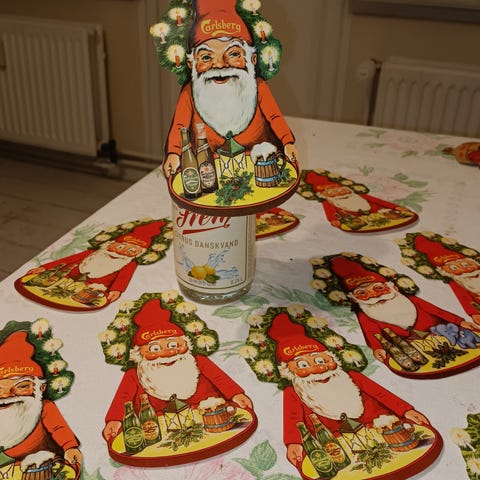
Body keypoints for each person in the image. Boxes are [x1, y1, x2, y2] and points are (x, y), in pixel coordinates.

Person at [267, 313, 429, 468]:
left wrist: (406, 411)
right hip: (338, 444)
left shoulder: (352, 376)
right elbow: (293, 419)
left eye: (320, 360)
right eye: (303, 365)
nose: (317, 368)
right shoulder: (293, 392)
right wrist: (294, 443)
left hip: (382, 429)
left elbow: (381, 394)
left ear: (331, 358)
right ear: (288, 370)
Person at [161, 0, 298, 178]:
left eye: (233, 54)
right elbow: (180, 126)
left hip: (257, 170)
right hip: (208, 173)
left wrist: (288, 142)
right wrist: (173, 153)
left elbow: (274, 117)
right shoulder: (189, 93)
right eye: (206, 57)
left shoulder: (259, 88)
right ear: (190, 63)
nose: (220, 65)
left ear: (252, 59)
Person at [102, 298, 252, 442]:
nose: (167, 353)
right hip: (160, 430)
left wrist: (235, 394)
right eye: (155, 348)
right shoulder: (134, 375)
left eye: (173, 345)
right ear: (140, 352)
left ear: (185, 344)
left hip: (210, 419)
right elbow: (123, 398)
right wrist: (114, 420)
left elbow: (220, 379)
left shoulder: (198, 361)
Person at [330, 256, 480, 362]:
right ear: (354, 299)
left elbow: (436, 311)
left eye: (378, 288)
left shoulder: (410, 300)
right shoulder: (365, 314)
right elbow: (371, 333)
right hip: (412, 348)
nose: (374, 295)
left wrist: (460, 321)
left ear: (393, 288)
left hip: (444, 334)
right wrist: (377, 348)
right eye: (363, 293)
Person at [23, 221, 167, 305]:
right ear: (111, 244)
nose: (124, 251)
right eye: (121, 247)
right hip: (66, 278)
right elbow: (67, 259)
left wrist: (116, 290)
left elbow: (123, 278)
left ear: (138, 253)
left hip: (95, 287)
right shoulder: (94, 253)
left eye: (132, 250)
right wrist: (45, 267)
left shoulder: (128, 263)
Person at [0, 331, 82, 467]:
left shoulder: (43, 408)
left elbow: (58, 427)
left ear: (41, 388)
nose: (8, 395)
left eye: (22, 386)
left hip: (48, 462)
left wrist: (69, 447)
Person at [414, 235, 480, 326]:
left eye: (465, 264)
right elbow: (464, 298)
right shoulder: (458, 281)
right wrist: (474, 313)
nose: (464, 269)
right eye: (454, 268)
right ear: (446, 271)